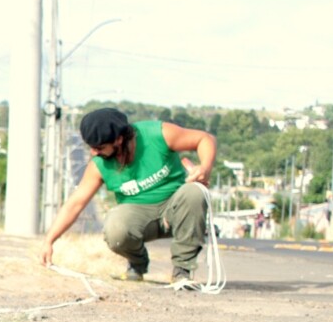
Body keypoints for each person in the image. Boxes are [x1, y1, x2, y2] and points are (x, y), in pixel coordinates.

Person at [38, 108, 216, 282]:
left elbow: (205, 139)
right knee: (115, 228)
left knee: (194, 191)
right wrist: (49, 241)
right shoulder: (99, 165)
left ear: (119, 139)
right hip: (140, 216)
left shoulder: (157, 134)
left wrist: (205, 168)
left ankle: (182, 270)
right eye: (91, 147)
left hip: (177, 208)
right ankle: (137, 264)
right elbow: (75, 204)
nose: (94, 153)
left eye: (99, 147)